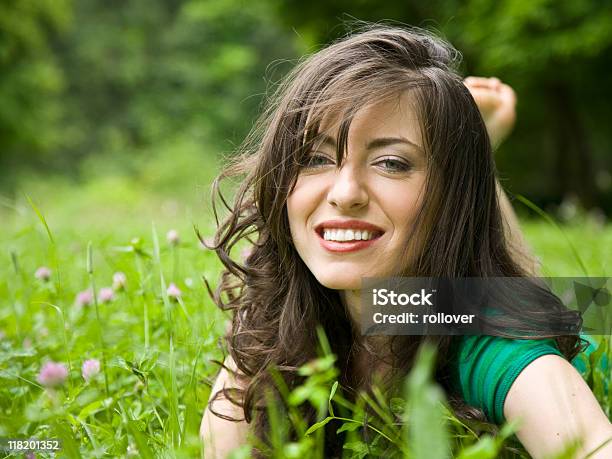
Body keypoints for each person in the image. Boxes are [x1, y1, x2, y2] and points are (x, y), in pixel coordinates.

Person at [200, 25, 612, 458]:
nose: (344, 193)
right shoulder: (281, 317)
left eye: (392, 163)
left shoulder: (498, 348)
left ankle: (475, 157)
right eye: (315, 158)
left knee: (530, 303)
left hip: (494, 312)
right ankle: (472, 150)